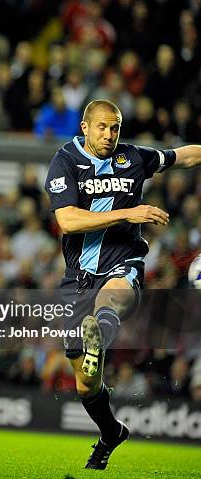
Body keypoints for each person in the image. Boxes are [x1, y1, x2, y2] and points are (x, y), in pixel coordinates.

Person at [44, 99, 200, 469]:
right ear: (84, 127)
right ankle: (111, 432)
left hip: (123, 262)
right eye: (102, 127)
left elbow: (184, 156)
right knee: (86, 385)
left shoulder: (132, 158)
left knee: (111, 301)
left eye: (115, 127)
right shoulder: (65, 161)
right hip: (79, 277)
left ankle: (100, 329)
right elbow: (67, 221)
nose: (110, 135)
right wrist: (130, 212)